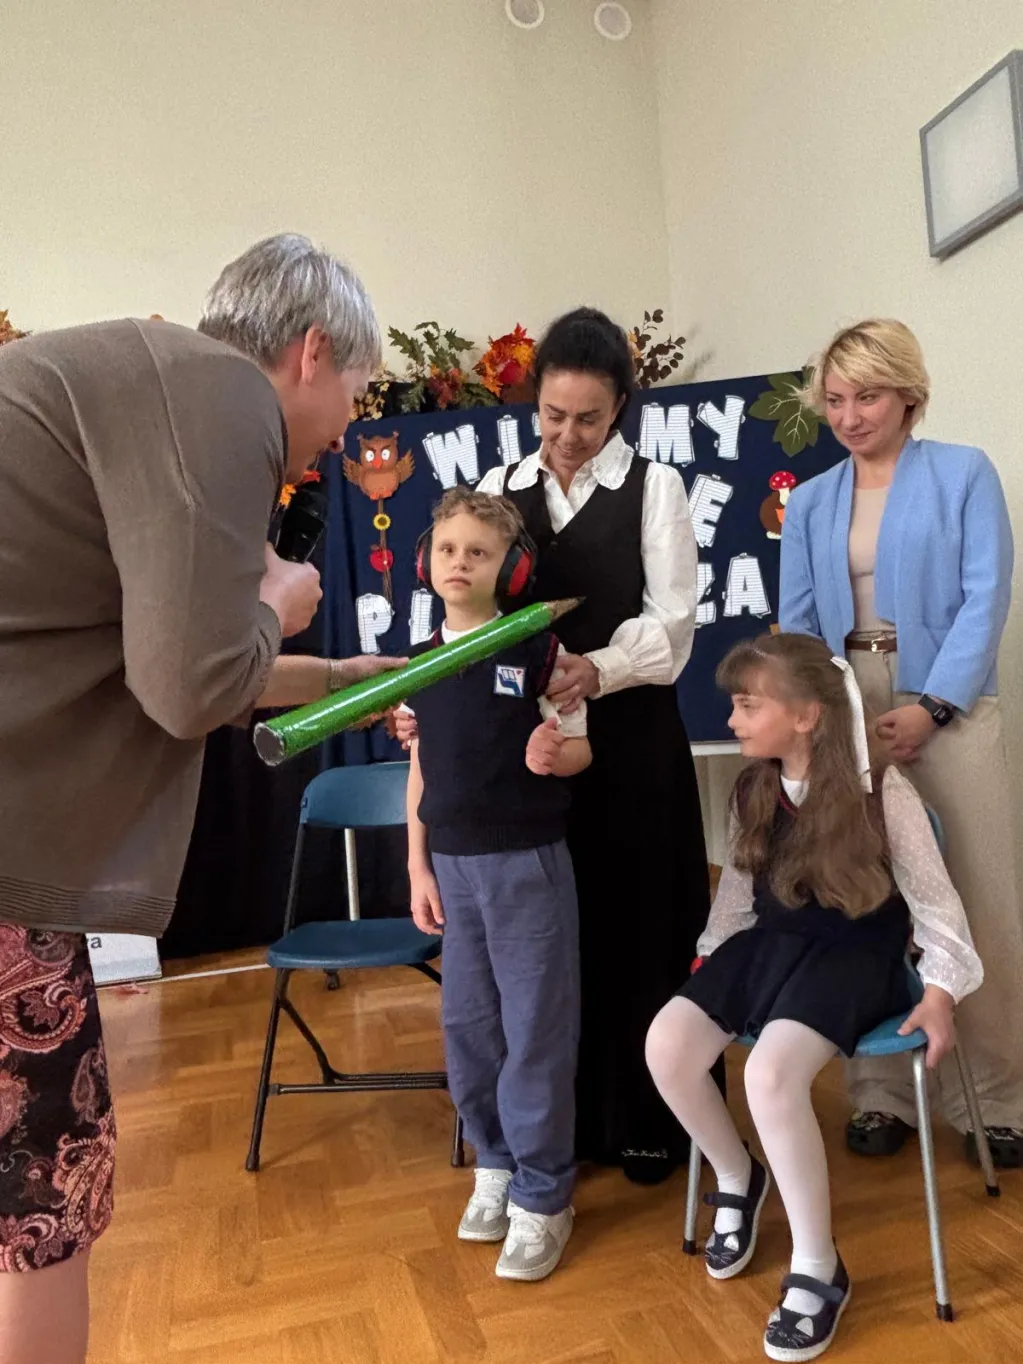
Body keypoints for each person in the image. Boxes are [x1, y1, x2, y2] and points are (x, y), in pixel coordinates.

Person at [0, 234, 403, 1364]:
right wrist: (279, 600)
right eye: (357, 393)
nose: (346, 432)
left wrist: (344, 676)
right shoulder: (224, 395)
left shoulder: (151, 378)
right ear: (310, 352)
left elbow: (168, 659)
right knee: (45, 1201)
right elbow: (190, 688)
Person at [646, 632, 982, 1363]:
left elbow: (937, 908)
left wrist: (941, 992)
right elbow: (738, 896)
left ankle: (818, 1265)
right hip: (770, 945)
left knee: (770, 1076)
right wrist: (713, 957)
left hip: (856, 955)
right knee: (666, 1044)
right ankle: (738, 1177)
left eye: (746, 706)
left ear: (805, 716)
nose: (731, 719)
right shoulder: (752, 788)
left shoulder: (882, 791)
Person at [779, 318, 1022, 1168]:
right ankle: (879, 1093)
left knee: (978, 893)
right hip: (842, 704)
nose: (848, 416)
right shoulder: (811, 502)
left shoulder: (962, 473)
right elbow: (797, 624)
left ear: (908, 396)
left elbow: (985, 596)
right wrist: (821, 718)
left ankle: (996, 1099)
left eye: (867, 396)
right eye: (834, 400)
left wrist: (934, 706)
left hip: (945, 701)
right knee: (864, 895)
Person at [404, 487, 591, 1282]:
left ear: (508, 568)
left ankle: (545, 1195)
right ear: (426, 560)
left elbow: (579, 747)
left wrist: (556, 754)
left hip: (526, 862)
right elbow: (420, 766)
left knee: (535, 1029)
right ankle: (496, 1162)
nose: (460, 563)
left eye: (478, 552)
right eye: (448, 549)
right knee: (469, 1027)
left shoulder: (536, 648)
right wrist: (416, 864)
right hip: (452, 867)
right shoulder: (418, 661)